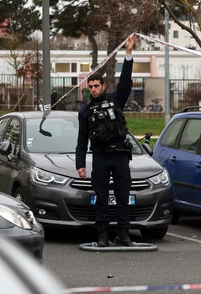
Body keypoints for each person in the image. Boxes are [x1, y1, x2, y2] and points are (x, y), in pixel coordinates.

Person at [75, 34, 136, 247]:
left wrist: (128, 54)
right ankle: (102, 235)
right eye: (90, 86)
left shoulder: (115, 100)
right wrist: (80, 164)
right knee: (101, 198)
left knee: (122, 196)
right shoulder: (85, 111)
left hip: (119, 155)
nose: (93, 89)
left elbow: (126, 83)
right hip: (100, 157)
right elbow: (82, 139)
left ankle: (123, 234)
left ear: (103, 86)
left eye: (96, 86)